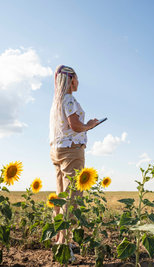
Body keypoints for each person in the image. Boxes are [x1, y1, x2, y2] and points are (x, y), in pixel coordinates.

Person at [49, 65, 99, 244]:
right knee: (71, 198)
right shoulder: (69, 100)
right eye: (77, 78)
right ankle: (64, 244)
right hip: (71, 151)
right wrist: (90, 125)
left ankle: (58, 238)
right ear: (71, 80)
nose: (78, 82)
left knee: (60, 195)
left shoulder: (57, 102)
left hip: (57, 150)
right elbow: (75, 126)